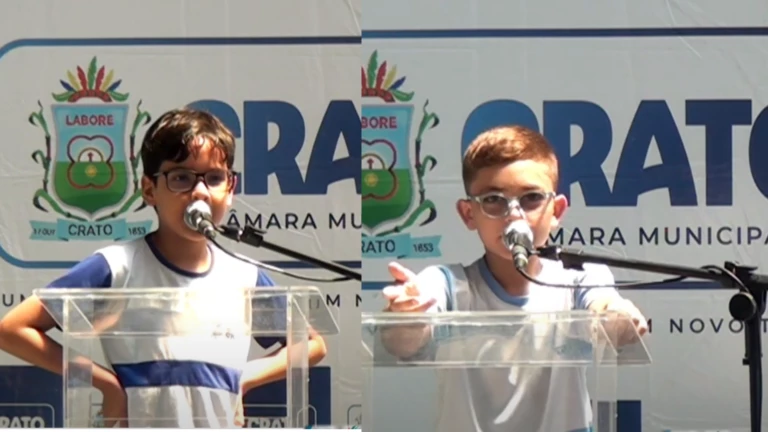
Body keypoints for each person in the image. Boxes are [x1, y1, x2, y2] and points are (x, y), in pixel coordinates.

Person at [0, 108, 327, 428]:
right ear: (149, 190)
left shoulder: (244, 275)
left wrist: (244, 378)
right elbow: (12, 329)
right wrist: (106, 384)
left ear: (231, 189)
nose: (200, 192)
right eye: (181, 178)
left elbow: (312, 344)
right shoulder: (118, 266)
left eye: (214, 178)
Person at [379, 125, 648, 432]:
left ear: (556, 211)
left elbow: (605, 307)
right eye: (493, 199)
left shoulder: (580, 276)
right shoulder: (446, 283)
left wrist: (617, 318)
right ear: (468, 214)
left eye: (531, 198)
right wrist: (406, 318)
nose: (514, 214)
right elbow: (402, 341)